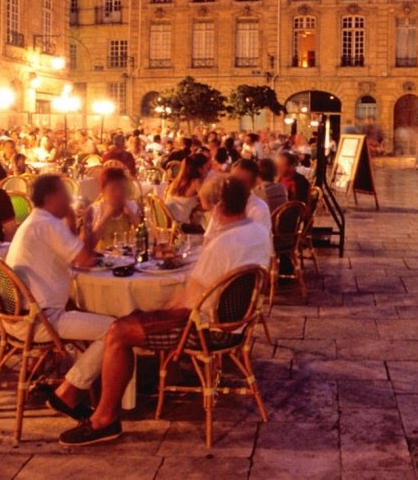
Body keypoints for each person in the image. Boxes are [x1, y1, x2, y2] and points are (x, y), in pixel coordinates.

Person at [58, 176, 271, 447]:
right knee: (128, 321)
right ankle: (85, 394)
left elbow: (187, 303)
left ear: (218, 207)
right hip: (236, 326)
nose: (206, 215)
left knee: (118, 331)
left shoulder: (223, 244)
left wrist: (149, 312)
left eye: (205, 209)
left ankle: (104, 419)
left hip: (205, 330)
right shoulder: (257, 232)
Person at [6, 175, 114, 422]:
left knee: (96, 318)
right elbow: (84, 259)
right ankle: (68, 390)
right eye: (64, 193)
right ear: (52, 197)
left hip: (20, 318)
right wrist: (88, 223)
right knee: (114, 330)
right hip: (41, 321)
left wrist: (70, 219)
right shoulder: (47, 224)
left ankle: (77, 384)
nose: (69, 198)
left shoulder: (37, 221)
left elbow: (72, 251)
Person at [82, 166, 141, 251]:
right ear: (103, 191)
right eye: (113, 189)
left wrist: (132, 216)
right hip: (101, 260)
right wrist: (105, 217)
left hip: (126, 259)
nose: (118, 193)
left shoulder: (132, 207)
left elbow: (145, 239)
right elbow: (86, 247)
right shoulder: (93, 210)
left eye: (122, 189)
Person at [164, 152, 209, 226]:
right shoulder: (196, 182)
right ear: (200, 169)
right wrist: (195, 208)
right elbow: (206, 205)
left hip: (168, 222)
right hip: (180, 227)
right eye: (207, 167)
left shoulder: (177, 181)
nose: (208, 170)